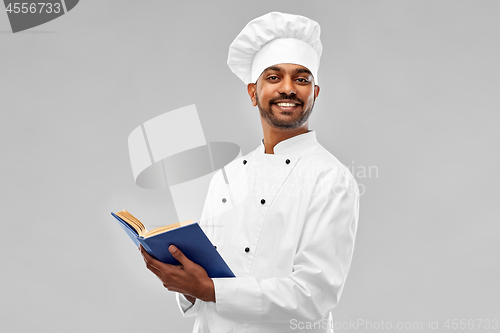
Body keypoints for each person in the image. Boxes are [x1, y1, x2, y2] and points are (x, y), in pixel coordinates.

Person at [139, 12, 360, 333]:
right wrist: (183, 281)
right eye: (273, 77)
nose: (288, 89)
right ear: (253, 92)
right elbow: (207, 281)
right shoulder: (227, 177)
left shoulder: (331, 178)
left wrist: (210, 290)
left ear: (315, 92)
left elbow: (314, 296)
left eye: (301, 79)